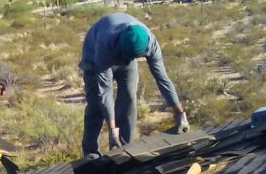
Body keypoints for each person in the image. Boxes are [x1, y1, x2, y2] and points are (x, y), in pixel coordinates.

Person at [79, 12, 188, 157]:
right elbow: (105, 92)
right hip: (95, 56)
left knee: (129, 97)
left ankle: (125, 149)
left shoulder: (150, 43)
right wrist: (112, 131)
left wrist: (180, 114)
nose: (127, 60)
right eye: (128, 57)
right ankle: (90, 153)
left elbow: (162, 79)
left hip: (125, 51)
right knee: (96, 106)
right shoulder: (105, 43)